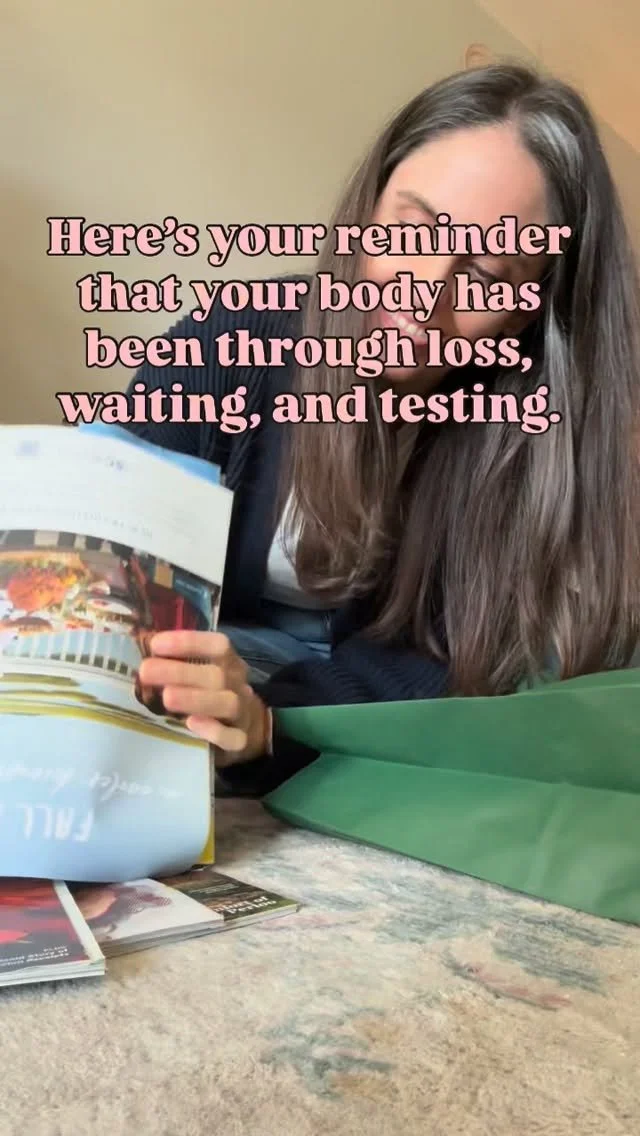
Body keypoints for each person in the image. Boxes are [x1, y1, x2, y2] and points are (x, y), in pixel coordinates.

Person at [124, 63, 640, 795]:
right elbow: (116, 551)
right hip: (200, 656)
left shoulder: (527, 444)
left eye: (484, 275)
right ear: (368, 207)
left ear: (530, 311)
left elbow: (443, 664)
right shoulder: (230, 339)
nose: (421, 297)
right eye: (412, 229)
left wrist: (269, 724)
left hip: (341, 706)